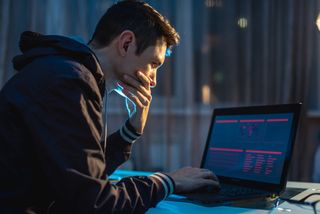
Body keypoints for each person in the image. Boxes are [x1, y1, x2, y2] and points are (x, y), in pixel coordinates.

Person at [0, 1, 219, 213]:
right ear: (126, 43)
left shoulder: (62, 71)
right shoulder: (68, 81)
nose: (153, 81)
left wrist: (130, 132)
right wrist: (168, 181)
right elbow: (96, 203)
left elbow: (84, 175)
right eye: (154, 64)